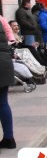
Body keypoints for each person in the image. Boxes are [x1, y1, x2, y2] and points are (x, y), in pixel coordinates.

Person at [0, 14, 16, 149]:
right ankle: (9, 138)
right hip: (4, 62)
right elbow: (10, 35)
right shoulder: (1, 19)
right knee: (3, 102)